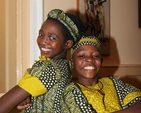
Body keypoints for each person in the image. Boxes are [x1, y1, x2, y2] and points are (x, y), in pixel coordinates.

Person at [0, 9, 95, 113]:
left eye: (52, 38)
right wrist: (28, 96)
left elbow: (2, 105)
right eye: (41, 34)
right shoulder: (63, 66)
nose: (43, 41)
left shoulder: (48, 69)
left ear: (67, 44)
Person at [70, 36, 141, 113]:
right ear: (72, 63)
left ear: (101, 61)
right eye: (82, 56)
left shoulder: (114, 83)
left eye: (95, 56)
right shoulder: (70, 92)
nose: (90, 59)